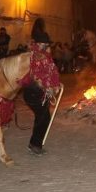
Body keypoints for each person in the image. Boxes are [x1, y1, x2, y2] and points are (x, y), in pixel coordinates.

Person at [24, 24, 60, 155]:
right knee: (43, 117)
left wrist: (55, 84)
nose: (47, 47)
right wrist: (49, 87)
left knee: (43, 117)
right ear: (40, 44)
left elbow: (51, 72)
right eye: (45, 45)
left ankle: (34, 143)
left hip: (38, 91)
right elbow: (37, 76)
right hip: (34, 91)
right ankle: (34, 144)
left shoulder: (43, 55)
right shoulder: (38, 56)